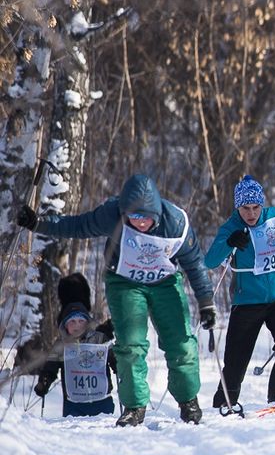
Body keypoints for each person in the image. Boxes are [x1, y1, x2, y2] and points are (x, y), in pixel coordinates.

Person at [16, 174, 215, 426]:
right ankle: (134, 407)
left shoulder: (176, 223)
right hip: (125, 283)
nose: (140, 223)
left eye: (145, 217)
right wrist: (38, 224)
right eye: (134, 217)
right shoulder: (113, 214)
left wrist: (206, 302)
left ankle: (188, 400)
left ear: (156, 213)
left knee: (181, 341)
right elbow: (77, 226)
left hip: (164, 282)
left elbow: (195, 264)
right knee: (130, 345)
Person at [204, 175, 275, 412]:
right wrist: (230, 242)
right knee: (236, 360)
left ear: (262, 205)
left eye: (255, 207)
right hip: (247, 301)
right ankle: (224, 404)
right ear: (237, 207)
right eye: (245, 208)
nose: (251, 213)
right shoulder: (232, 226)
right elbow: (210, 261)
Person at [16, 273, 118, 418]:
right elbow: (51, 366)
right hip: (73, 403)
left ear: (87, 322)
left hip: (101, 400)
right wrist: (44, 381)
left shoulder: (99, 339)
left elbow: (113, 356)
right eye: (72, 322)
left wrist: (118, 366)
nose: (77, 326)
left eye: (81, 321)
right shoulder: (61, 345)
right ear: (65, 326)